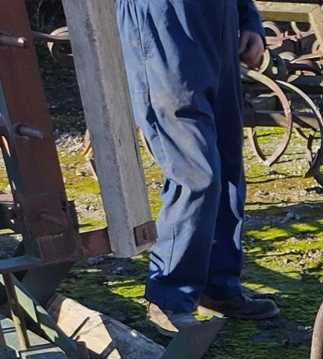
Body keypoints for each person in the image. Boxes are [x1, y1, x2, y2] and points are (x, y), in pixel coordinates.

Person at [116, 0, 279, 332]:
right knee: (195, 173)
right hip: (165, 34)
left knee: (228, 168)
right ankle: (169, 295)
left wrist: (249, 20)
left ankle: (218, 285)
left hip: (217, 34)